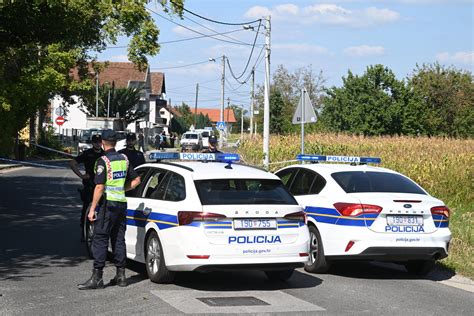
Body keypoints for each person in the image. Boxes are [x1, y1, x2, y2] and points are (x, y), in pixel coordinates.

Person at [78, 129, 141, 290]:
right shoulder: (124, 159)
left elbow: (99, 187)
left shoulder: (103, 161)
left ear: (103, 143)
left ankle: (97, 277)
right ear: (115, 142)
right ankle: (121, 276)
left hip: (108, 204)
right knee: (119, 238)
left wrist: (92, 208)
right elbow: (137, 180)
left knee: (100, 237)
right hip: (121, 203)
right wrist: (121, 189)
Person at [70, 134, 104, 240]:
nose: (97, 144)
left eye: (99, 142)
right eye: (95, 142)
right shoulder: (87, 154)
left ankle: (100, 232)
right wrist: (82, 176)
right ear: (92, 143)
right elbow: (72, 163)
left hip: (102, 186)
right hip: (90, 186)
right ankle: (84, 231)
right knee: (87, 209)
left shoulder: (105, 154)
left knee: (102, 210)